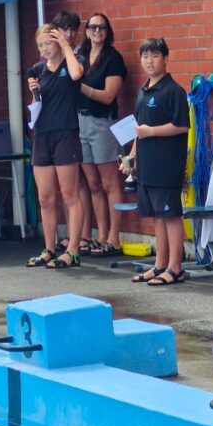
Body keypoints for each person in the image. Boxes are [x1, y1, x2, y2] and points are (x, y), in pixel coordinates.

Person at [122, 37, 189, 286]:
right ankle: (160, 265)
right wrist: (131, 156)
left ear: (166, 59)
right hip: (147, 165)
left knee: (171, 215)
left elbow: (181, 126)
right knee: (158, 216)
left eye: (155, 56)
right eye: (145, 56)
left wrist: (151, 132)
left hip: (166, 164)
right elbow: (138, 129)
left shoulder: (174, 91)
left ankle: (175, 267)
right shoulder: (143, 90)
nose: (149, 61)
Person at [26, 23, 84, 269]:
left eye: (48, 43)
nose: (44, 49)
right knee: (45, 198)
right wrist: (34, 92)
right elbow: (36, 105)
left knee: (70, 195)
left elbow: (76, 75)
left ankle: (72, 250)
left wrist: (65, 45)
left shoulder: (72, 62)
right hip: (42, 135)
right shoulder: (37, 70)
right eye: (40, 45)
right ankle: (49, 248)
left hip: (65, 133)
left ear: (57, 41)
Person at [78, 13, 127, 256]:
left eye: (102, 27)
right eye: (93, 27)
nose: (97, 31)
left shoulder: (113, 59)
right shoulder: (80, 56)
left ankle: (114, 238)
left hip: (102, 123)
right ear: (87, 31)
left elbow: (108, 96)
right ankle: (101, 235)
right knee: (93, 184)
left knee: (110, 183)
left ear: (108, 32)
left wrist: (81, 88)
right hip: (80, 121)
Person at [52, 10, 95, 256]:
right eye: (64, 29)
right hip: (58, 124)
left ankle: (84, 236)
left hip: (79, 119)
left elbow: (76, 74)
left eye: (72, 30)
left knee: (83, 181)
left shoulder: (78, 54)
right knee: (69, 185)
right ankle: (72, 234)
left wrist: (65, 47)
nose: (69, 34)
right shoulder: (49, 55)